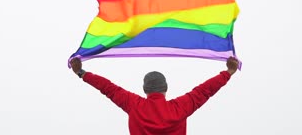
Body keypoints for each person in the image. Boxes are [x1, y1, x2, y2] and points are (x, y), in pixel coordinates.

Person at [70, 56, 239, 135]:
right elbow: (204, 91)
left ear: (145, 89)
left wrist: (81, 72)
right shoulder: (180, 108)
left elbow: (108, 88)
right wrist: (229, 72)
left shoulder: (134, 105)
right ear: (165, 89)